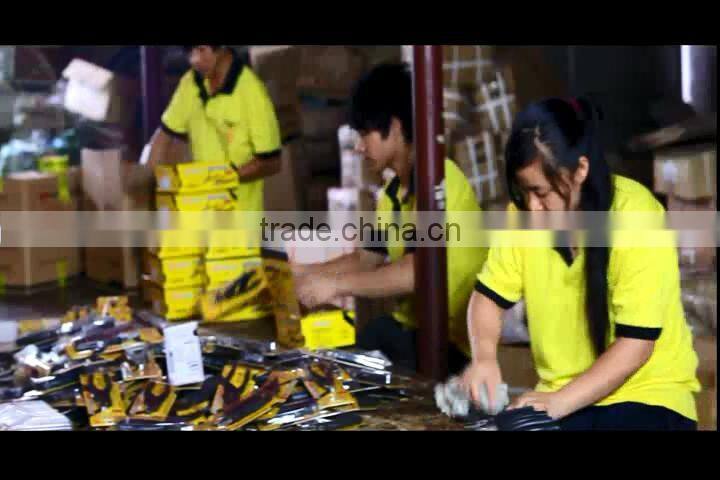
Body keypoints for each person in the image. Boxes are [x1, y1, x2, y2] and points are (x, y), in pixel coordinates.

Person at [460, 97, 700, 430]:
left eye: (541, 192)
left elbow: (637, 345)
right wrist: (484, 359)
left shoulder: (635, 214)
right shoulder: (524, 217)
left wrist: (556, 403)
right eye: (524, 191)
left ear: (580, 170)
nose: (533, 206)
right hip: (566, 403)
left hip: (648, 398)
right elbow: (487, 298)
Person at [294, 63, 488, 373]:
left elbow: (417, 271)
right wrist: (304, 273)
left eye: (365, 134)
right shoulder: (392, 194)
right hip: (408, 329)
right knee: (340, 358)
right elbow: (366, 258)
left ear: (395, 128)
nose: (360, 147)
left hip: (450, 344)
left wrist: (336, 285)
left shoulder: (439, 182)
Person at [147, 45, 282, 213]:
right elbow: (164, 136)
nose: (194, 60)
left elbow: (271, 163)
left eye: (201, 50)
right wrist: (150, 186)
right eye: (190, 52)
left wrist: (218, 180)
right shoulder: (190, 84)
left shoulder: (251, 92)